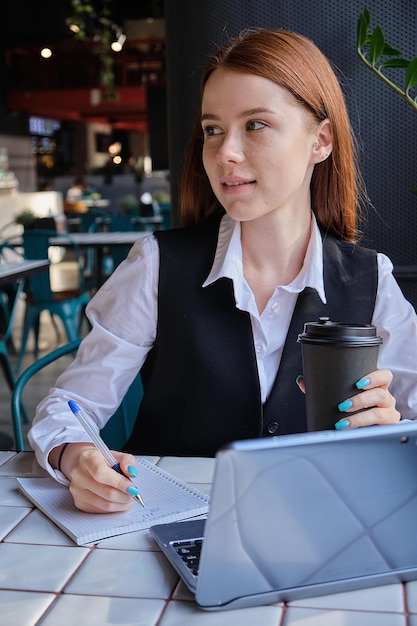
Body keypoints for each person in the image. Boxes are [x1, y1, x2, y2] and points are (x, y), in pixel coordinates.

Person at [29, 28, 417, 514]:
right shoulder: (156, 264)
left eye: (255, 124)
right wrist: (77, 456)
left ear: (320, 141)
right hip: (162, 534)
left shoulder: (371, 281)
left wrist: (396, 431)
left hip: (320, 530)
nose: (225, 152)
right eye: (213, 129)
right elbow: (67, 410)